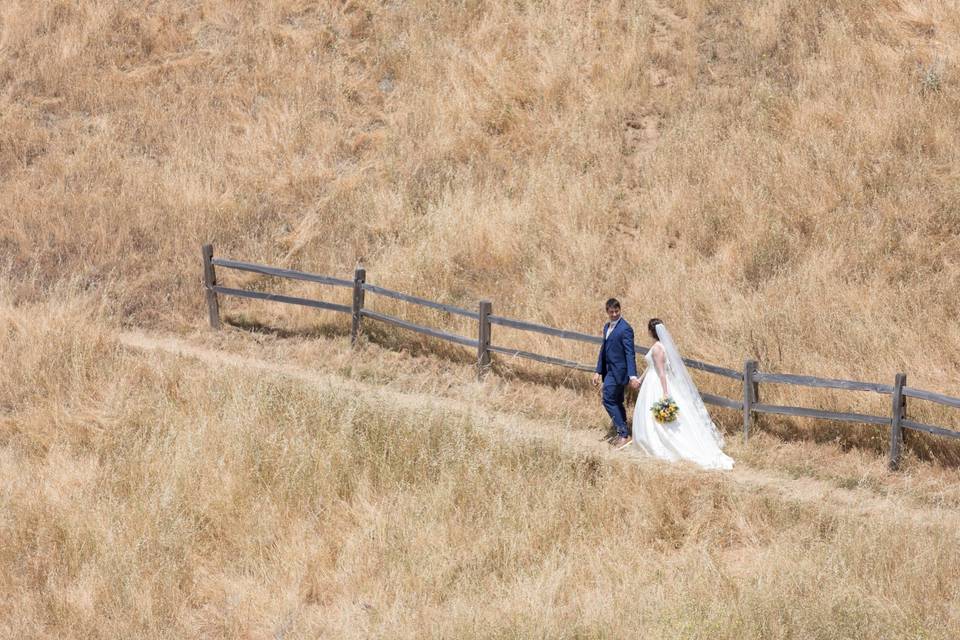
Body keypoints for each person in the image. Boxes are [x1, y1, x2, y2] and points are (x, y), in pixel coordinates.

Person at [630, 318, 734, 470]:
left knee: (655, 419)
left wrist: (665, 393)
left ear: (649, 331)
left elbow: (662, 373)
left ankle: (659, 446)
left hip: (657, 384)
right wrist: (639, 379)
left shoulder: (658, 348)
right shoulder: (660, 346)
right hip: (651, 380)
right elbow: (651, 366)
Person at [592, 298, 640, 449]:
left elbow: (629, 353)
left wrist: (632, 375)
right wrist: (598, 371)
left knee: (608, 399)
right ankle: (623, 431)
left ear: (620, 310)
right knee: (617, 401)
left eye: (616, 311)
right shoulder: (607, 327)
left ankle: (623, 434)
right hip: (609, 371)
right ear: (607, 311)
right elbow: (603, 350)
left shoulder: (625, 328)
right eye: (611, 312)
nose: (614, 314)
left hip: (619, 372)